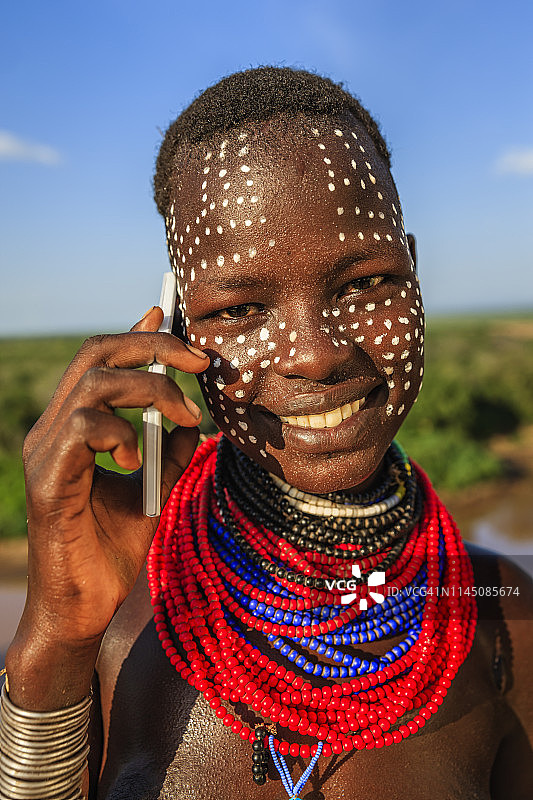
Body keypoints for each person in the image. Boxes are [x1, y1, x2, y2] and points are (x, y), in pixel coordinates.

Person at [2, 67, 533, 800]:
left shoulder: (499, 616)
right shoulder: (117, 604)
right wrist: (55, 641)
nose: (316, 355)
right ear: (178, 327)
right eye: (241, 309)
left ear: (413, 273)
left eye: (364, 283)